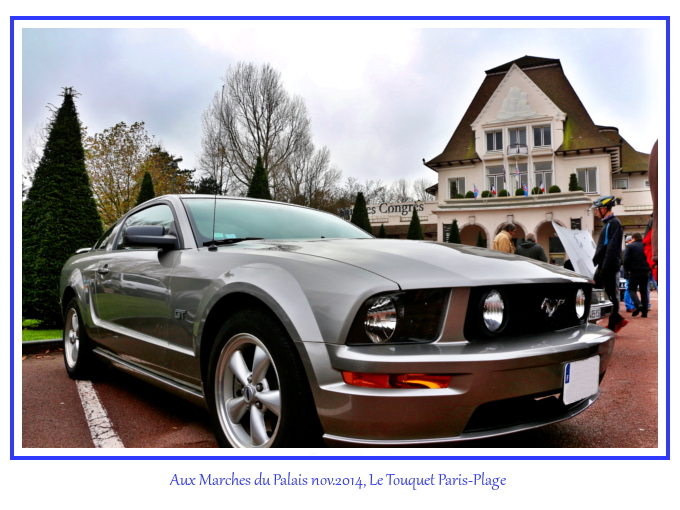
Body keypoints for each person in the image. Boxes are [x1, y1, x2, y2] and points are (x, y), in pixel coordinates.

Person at [592, 195, 627, 333]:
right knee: (595, 291)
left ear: (604, 209)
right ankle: (617, 319)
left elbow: (611, 247)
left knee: (611, 295)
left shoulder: (614, 223)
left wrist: (605, 266)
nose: (595, 211)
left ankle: (613, 325)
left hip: (609, 265)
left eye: (597, 209)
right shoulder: (607, 223)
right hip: (603, 264)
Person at [624, 232, 651, 317]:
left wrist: (628, 269)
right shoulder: (645, 246)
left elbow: (626, 259)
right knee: (644, 291)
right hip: (645, 271)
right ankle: (644, 312)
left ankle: (638, 304)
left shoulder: (630, 246)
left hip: (634, 271)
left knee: (632, 289)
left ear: (633, 238)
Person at [623, 235, 635, 312]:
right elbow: (626, 261)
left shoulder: (627, 249)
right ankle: (629, 305)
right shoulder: (628, 249)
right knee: (629, 288)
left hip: (628, 271)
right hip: (629, 272)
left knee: (630, 288)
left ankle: (630, 305)